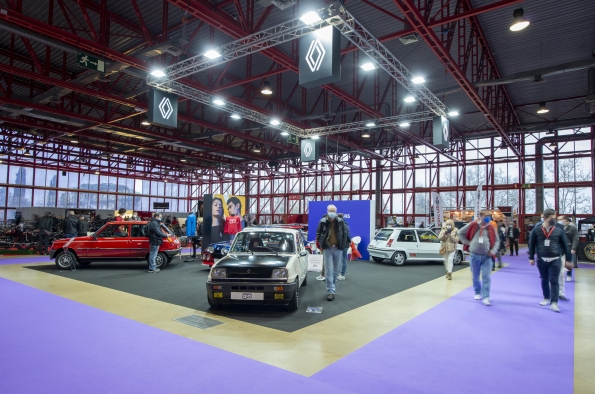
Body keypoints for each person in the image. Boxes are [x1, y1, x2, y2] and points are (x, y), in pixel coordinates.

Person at [528, 209, 571, 313]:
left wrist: (568, 260)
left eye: (554, 218)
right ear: (545, 218)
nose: (553, 220)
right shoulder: (537, 228)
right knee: (544, 279)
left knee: (554, 280)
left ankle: (554, 302)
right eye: (551, 218)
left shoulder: (559, 228)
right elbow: (532, 243)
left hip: (555, 258)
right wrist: (531, 257)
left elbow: (565, 244)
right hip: (541, 258)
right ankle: (546, 297)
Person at [458, 210, 500, 306]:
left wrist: (493, 251)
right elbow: (460, 232)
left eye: (489, 216)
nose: (488, 218)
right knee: (475, 276)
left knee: (486, 277)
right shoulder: (473, 225)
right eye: (486, 216)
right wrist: (468, 243)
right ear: (480, 216)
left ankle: (486, 297)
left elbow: (497, 241)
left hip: (487, 257)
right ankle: (477, 292)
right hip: (474, 256)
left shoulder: (491, 227)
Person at [316, 205, 349, 301]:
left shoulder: (340, 221)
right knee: (328, 271)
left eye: (333, 210)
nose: (332, 212)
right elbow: (318, 233)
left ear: (336, 211)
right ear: (327, 211)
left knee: (335, 271)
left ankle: (332, 287)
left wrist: (342, 246)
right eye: (330, 210)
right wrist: (322, 245)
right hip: (327, 249)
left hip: (338, 249)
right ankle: (330, 291)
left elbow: (344, 233)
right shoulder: (322, 221)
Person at [558, 216, 579, 289]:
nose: (559, 221)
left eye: (561, 220)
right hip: (560, 246)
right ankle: (560, 275)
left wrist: (573, 248)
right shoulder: (558, 227)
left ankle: (569, 275)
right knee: (559, 261)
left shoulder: (572, 227)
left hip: (568, 246)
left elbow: (575, 238)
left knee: (568, 261)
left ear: (566, 220)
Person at [337, 213, 351, 280]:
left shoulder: (337, 225)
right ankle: (342, 274)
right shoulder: (346, 225)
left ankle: (340, 274)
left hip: (338, 244)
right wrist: (349, 241)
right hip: (345, 244)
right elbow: (348, 236)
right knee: (343, 260)